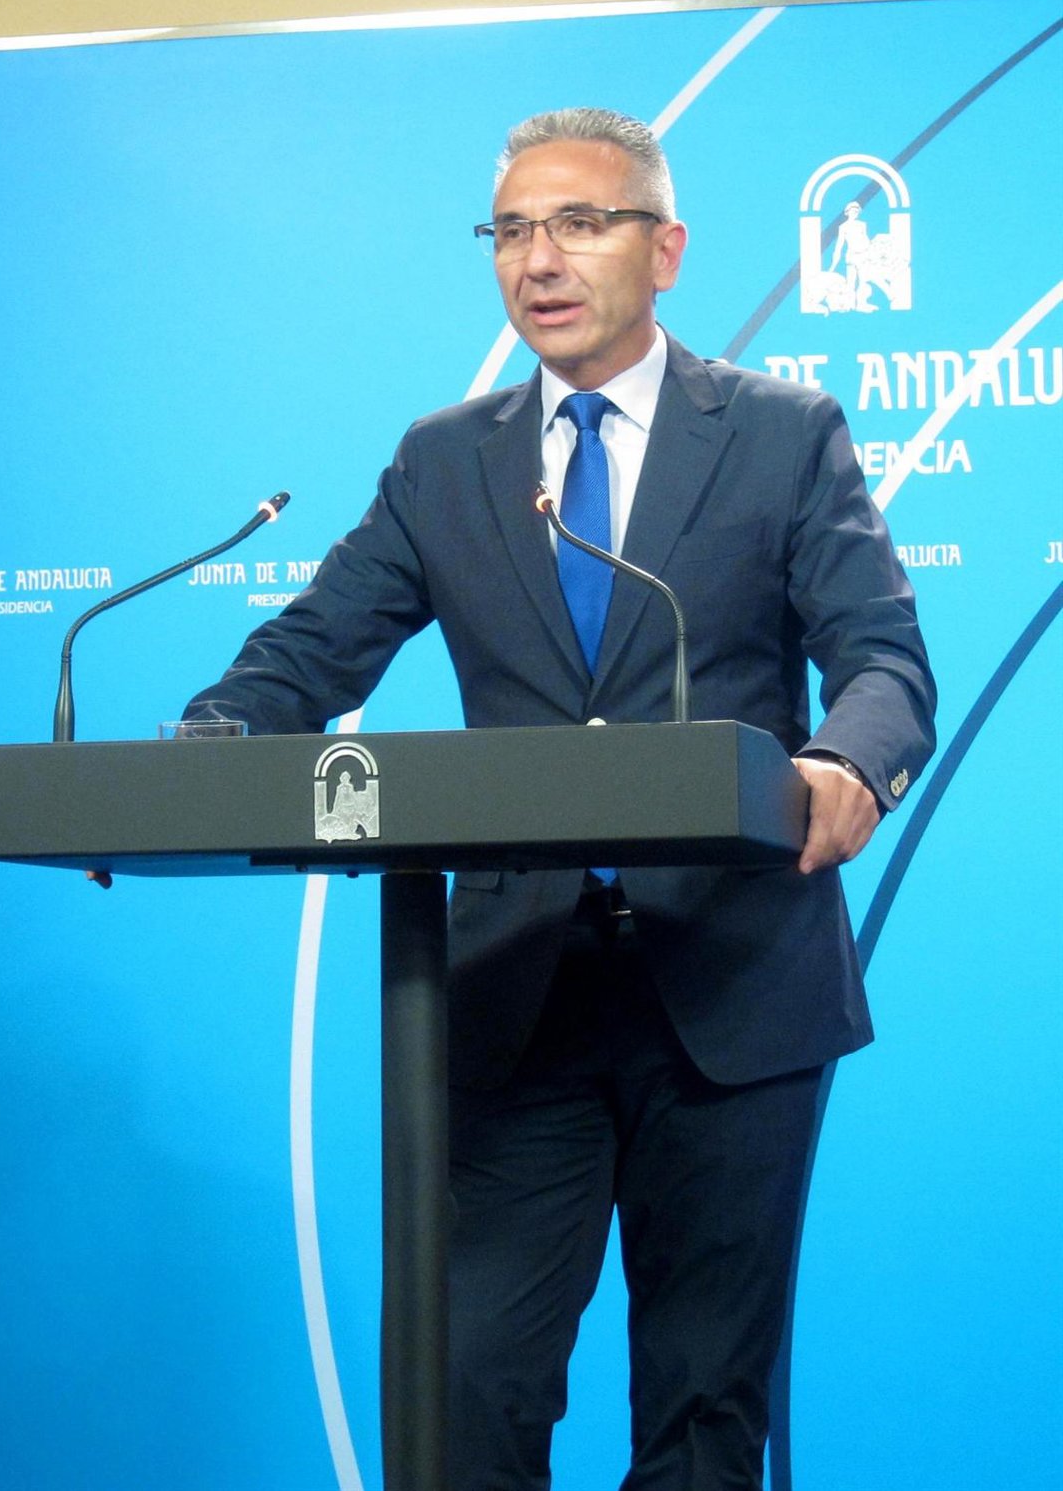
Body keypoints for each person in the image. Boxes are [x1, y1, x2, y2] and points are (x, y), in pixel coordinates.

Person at [184, 108, 935, 1491]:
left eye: (580, 223)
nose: (540, 259)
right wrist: (212, 737)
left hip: (733, 984)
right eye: (513, 230)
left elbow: (883, 658)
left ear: (667, 250)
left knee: (703, 1410)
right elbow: (313, 649)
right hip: (520, 990)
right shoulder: (446, 460)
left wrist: (846, 764)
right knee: (469, 1391)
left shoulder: (780, 433)